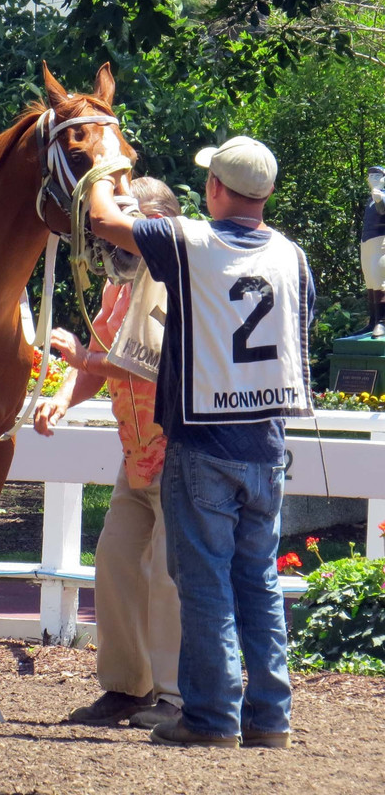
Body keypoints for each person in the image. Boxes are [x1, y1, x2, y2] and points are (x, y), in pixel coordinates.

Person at [88, 136, 315, 749]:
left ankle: (212, 718)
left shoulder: (190, 240)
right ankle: (270, 719)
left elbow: (104, 218)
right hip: (267, 444)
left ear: (216, 188)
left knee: (205, 582)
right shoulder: (292, 257)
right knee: (259, 582)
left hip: (203, 441)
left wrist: (108, 165)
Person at [34, 177, 182, 730]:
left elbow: (138, 360)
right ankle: (128, 689)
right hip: (135, 452)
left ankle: (175, 698)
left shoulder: (171, 281)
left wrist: (80, 362)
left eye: (126, 221)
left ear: (155, 227)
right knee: (115, 562)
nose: (114, 236)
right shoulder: (116, 287)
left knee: (170, 578)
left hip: (174, 450)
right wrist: (63, 400)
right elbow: (99, 363)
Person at [360, 165, 385, 338]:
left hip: (380, 242)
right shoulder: (370, 198)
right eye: (371, 176)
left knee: (379, 281)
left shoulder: (380, 196)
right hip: (366, 244)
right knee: (370, 281)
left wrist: (380, 200)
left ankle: (382, 322)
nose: (373, 179)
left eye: (378, 176)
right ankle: (373, 321)